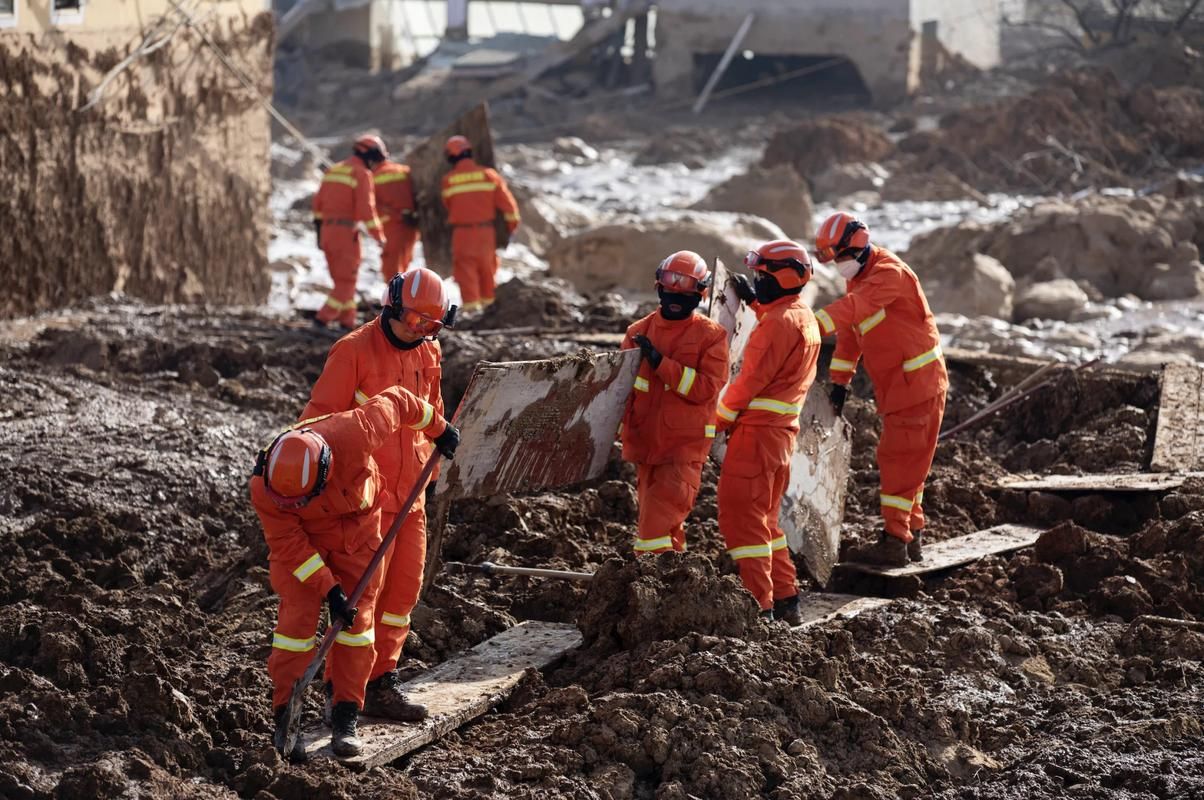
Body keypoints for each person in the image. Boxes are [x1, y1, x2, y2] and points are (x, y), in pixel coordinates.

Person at [251, 384, 457, 760]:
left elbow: (401, 399)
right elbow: (290, 546)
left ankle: (345, 714)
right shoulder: (265, 488)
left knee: (356, 627)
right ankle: (286, 717)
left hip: (358, 537)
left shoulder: (358, 430)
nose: (295, 503)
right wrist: (330, 591)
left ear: (325, 471)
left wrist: (439, 429)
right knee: (295, 630)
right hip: (305, 547)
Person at [299, 267, 455, 722]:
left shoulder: (430, 351)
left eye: (431, 325)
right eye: (414, 319)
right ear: (391, 305)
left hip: (413, 499)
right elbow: (319, 426)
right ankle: (342, 695)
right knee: (361, 602)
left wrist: (437, 458)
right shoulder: (353, 351)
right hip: (364, 503)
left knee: (401, 597)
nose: (419, 330)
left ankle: (382, 682)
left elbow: (434, 412)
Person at [813, 212, 948, 566]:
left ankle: (894, 542)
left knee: (899, 461)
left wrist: (805, 328)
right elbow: (850, 334)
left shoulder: (889, 275)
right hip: (902, 385)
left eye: (840, 257)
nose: (838, 266)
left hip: (916, 386)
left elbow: (852, 310)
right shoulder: (860, 276)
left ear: (855, 249)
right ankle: (910, 536)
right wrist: (839, 382)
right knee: (910, 462)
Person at [716, 240, 822, 625]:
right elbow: (782, 332)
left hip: (756, 438)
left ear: (784, 277)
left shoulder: (777, 324)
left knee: (742, 521)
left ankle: (758, 608)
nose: (757, 280)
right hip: (779, 439)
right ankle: (786, 598)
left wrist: (714, 422)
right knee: (766, 521)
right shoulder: (802, 316)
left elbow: (747, 382)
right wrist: (755, 302)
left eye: (763, 275)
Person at [620, 251, 729, 554]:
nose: (676, 297)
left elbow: (706, 388)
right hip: (644, 447)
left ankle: (648, 587)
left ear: (701, 295)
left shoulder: (711, 337)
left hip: (682, 450)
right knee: (666, 529)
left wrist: (659, 361)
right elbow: (620, 393)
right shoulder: (637, 333)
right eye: (671, 289)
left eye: (686, 291)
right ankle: (674, 587)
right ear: (659, 287)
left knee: (651, 532)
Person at [312, 135, 388, 330]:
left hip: (328, 231)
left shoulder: (332, 170)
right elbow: (366, 210)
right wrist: (379, 236)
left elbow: (318, 205)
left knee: (342, 280)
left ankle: (347, 321)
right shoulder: (361, 173)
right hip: (345, 234)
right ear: (368, 155)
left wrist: (319, 234)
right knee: (346, 281)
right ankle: (322, 318)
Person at [440, 135, 520, 312]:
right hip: (486, 233)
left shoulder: (449, 180)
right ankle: (489, 311)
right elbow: (510, 209)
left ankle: (471, 311)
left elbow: (447, 205)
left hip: (462, 234)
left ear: (451, 156)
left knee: (465, 273)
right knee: (488, 271)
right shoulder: (489, 175)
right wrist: (509, 230)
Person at [373, 151, 420, 281]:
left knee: (391, 270)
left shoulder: (372, 178)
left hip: (393, 227)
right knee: (402, 266)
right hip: (411, 227)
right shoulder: (405, 171)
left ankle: (396, 300)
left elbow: (372, 206)